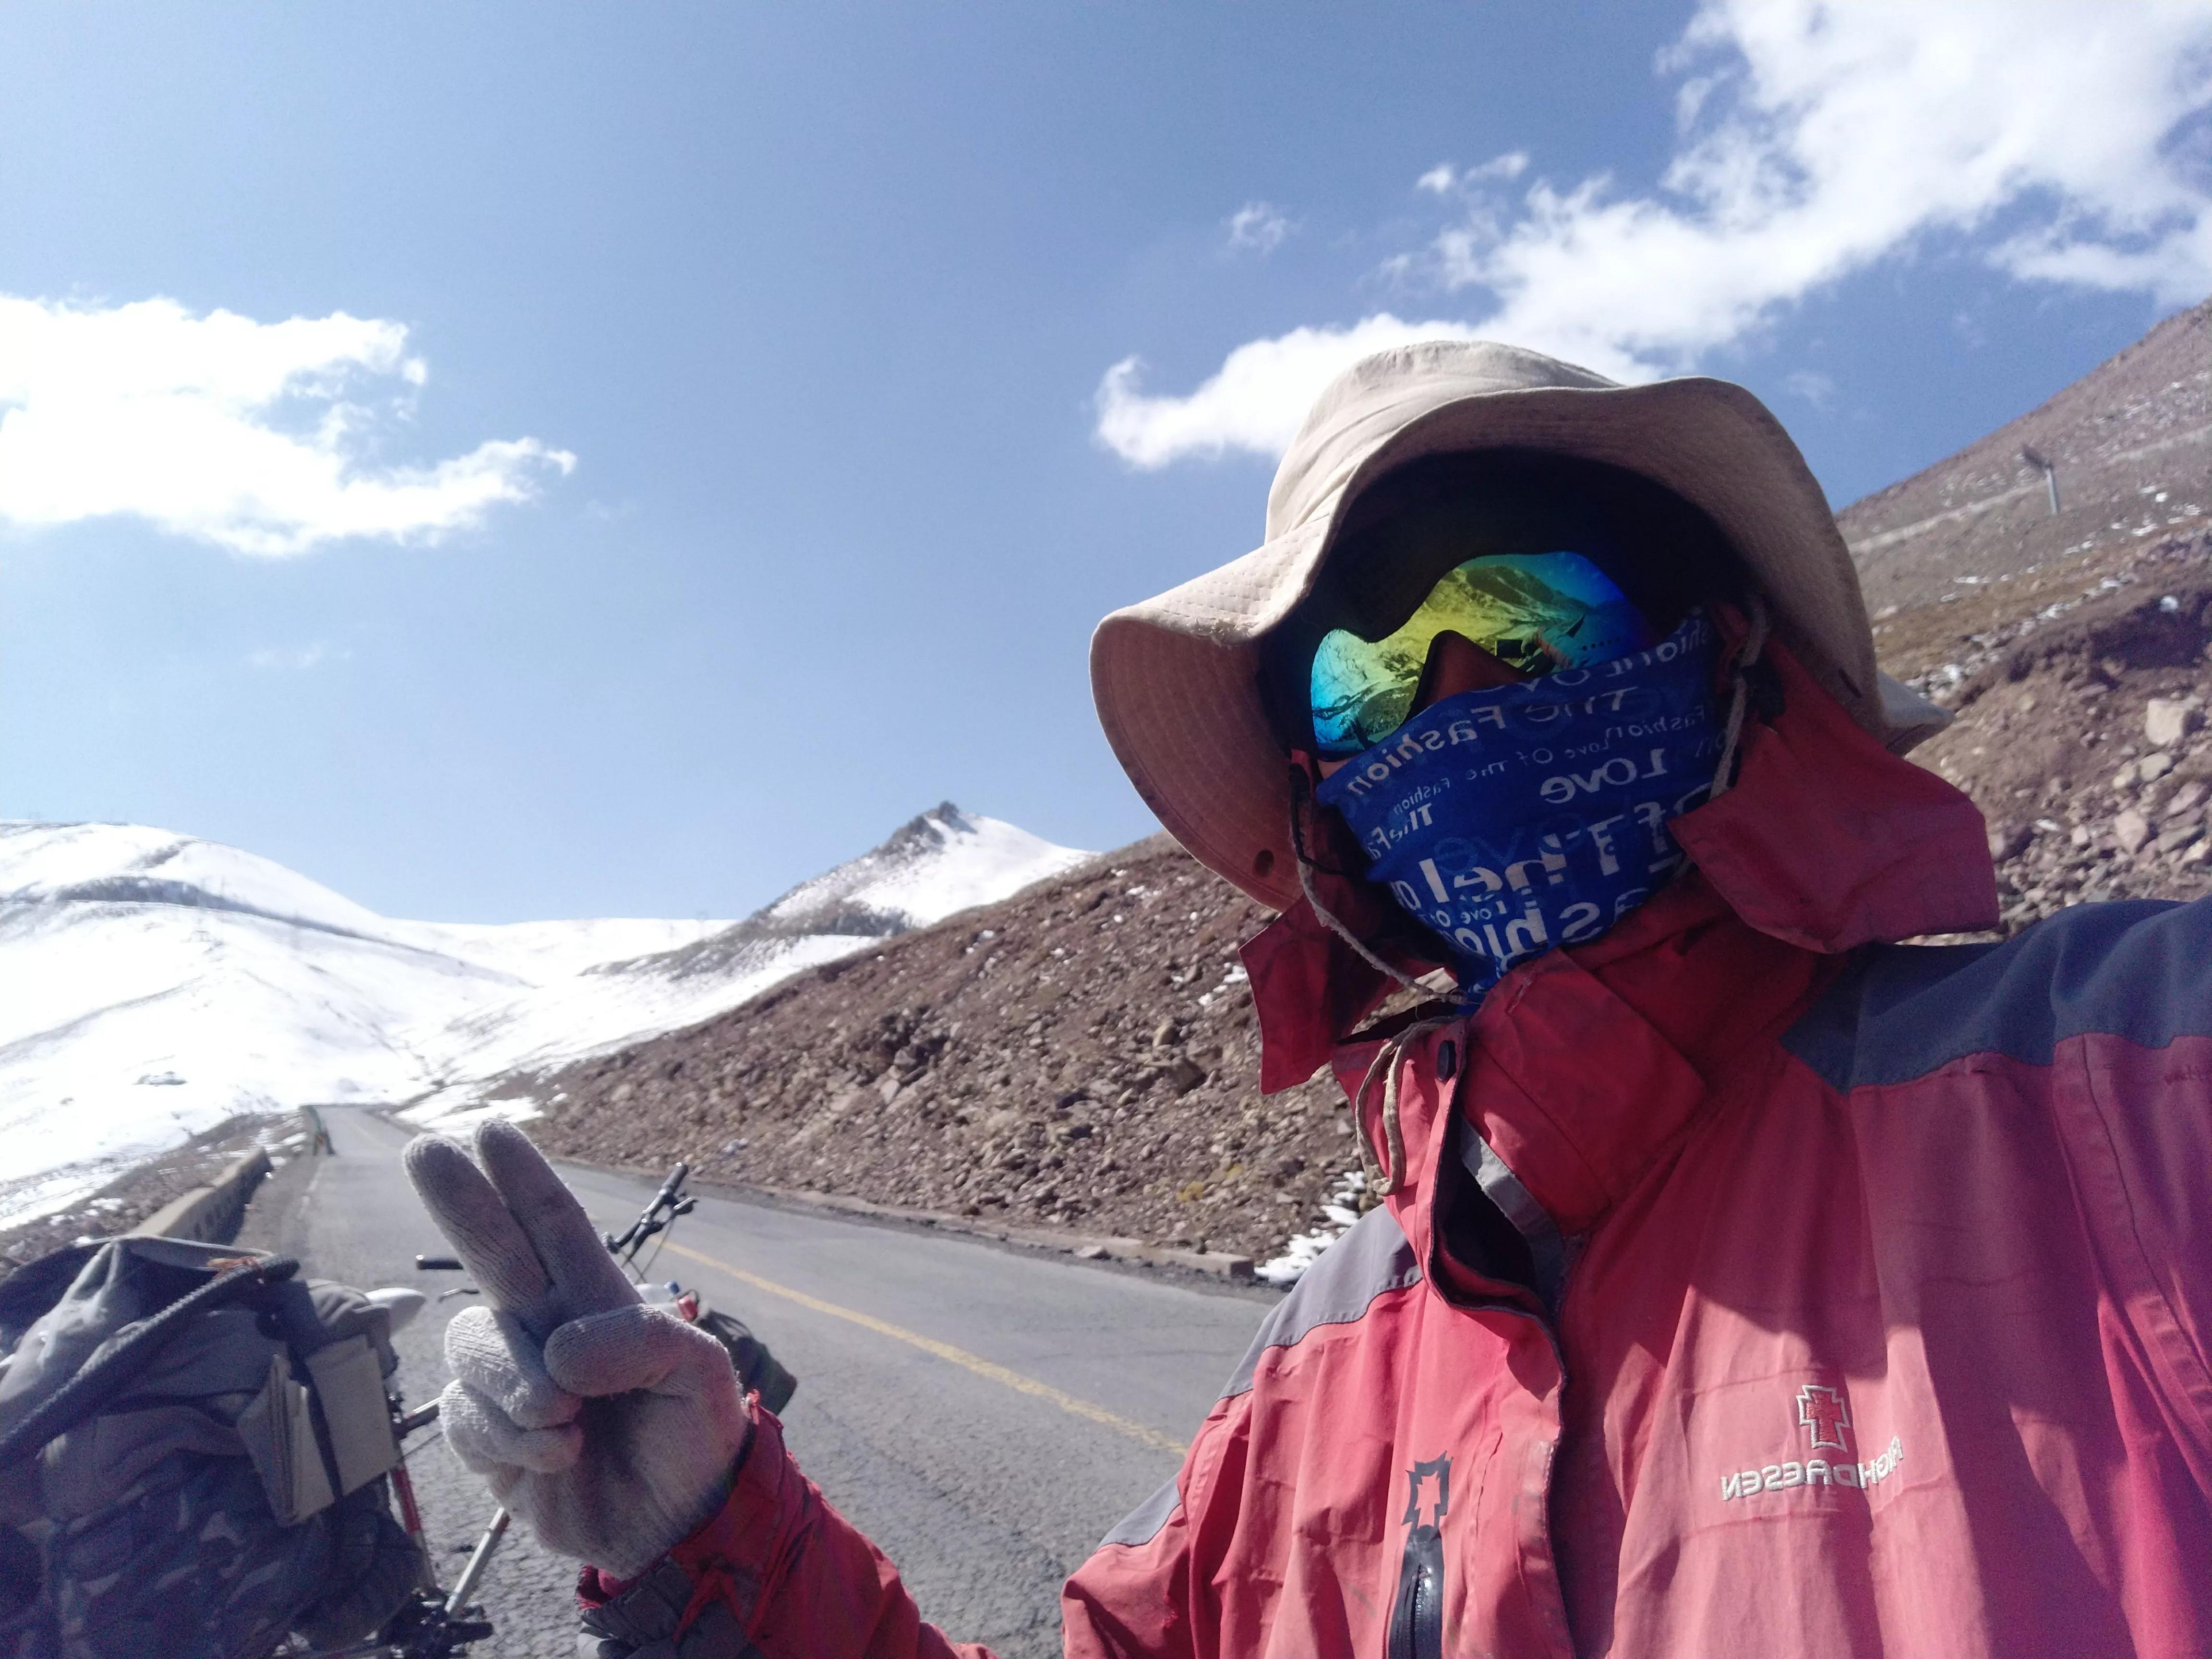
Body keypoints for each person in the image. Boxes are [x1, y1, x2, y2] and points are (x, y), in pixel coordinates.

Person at [406, 342, 2212, 1658]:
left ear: (1719, 648)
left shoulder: (2129, 1091)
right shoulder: (1328, 1355)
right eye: (1364, 684)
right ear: (1328, 797)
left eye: (1530, 616)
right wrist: (710, 1539)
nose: (1453, 702)